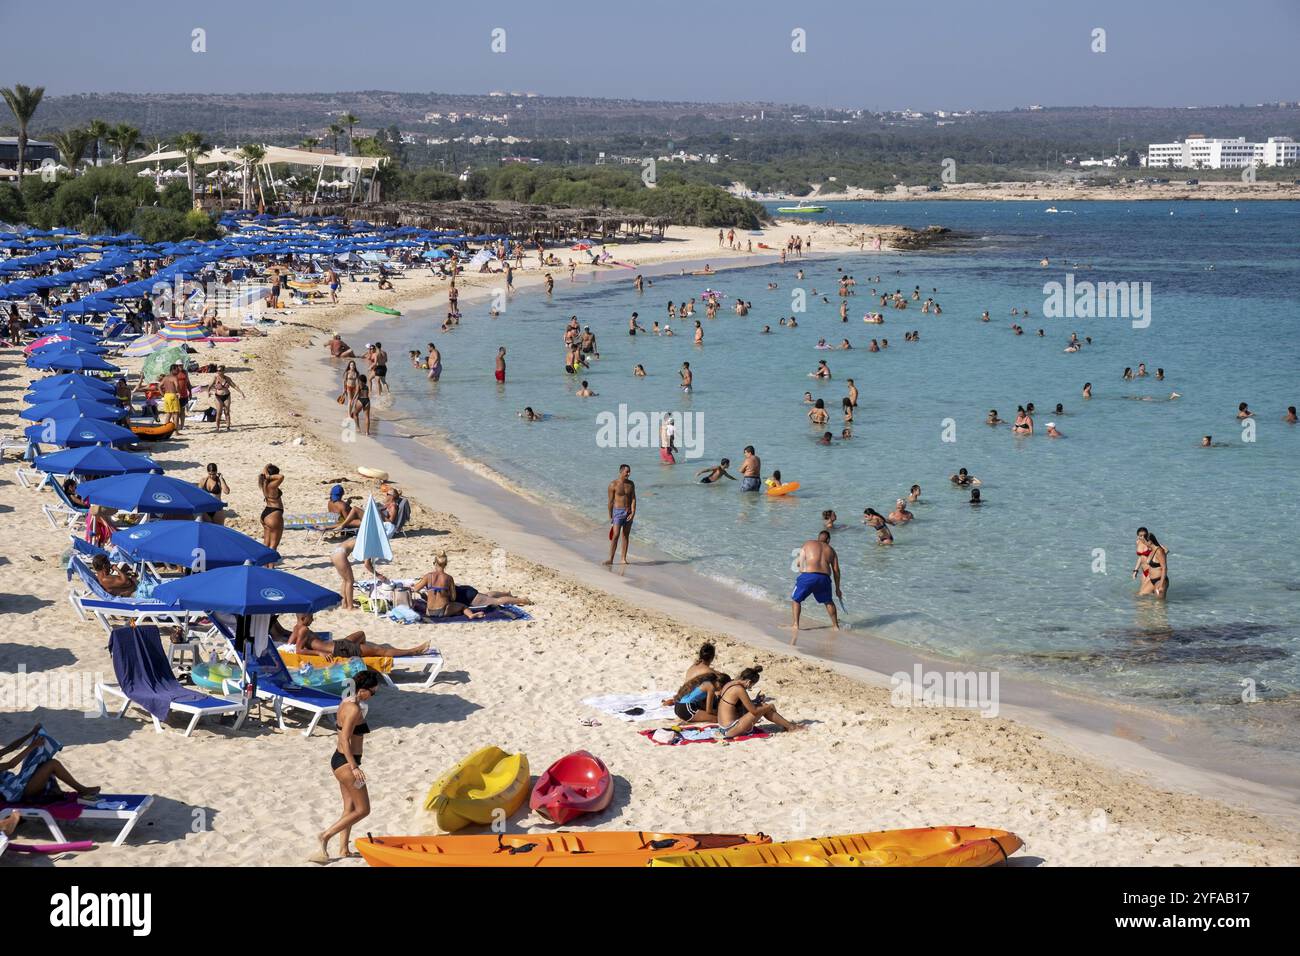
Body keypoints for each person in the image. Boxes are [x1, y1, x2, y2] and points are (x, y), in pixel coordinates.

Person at [311, 669, 381, 864]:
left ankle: (343, 849)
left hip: (341, 761)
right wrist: (354, 767)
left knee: (349, 808)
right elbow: (343, 738)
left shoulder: (348, 703)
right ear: (363, 689)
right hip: (346, 763)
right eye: (372, 692)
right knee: (363, 809)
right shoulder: (354, 709)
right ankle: (325, 836)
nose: (373, 696)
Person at [0, 725, 100, 804]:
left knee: (45, 762)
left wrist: (31, 733)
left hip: (19, 785)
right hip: (19, 792)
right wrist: (32, 746)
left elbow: (10, 748)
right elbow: (11, 764)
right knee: (52, 764)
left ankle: (82, 789)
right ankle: (82, 790)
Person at [289, 613, 429, 658]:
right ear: (303, 618)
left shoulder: (297, 628)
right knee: (380, 650)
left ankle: (363, 654)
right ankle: (414, 650)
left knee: (360, 634)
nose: (313, 619)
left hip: (339, 644)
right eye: (311, 617)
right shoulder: (303, 630)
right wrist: (319, 653)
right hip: (339, 650)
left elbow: (288, 645)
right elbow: (299, 650)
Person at [716, 667, 802, 737]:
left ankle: (787, 725)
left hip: (723, 728)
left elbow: (739, 706)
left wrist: (757, 701)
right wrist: (770, 706)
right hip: (730, 729)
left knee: (761, 706)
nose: (749, 688)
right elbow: (754, 711)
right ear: (749, 682)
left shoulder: (730, 684)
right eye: (751, 686)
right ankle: (791, 727)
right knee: (765, 707)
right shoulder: (739, 689)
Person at [791, 530, 841, 640]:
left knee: (796, 600)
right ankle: (835, 626)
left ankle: (796, 625)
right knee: (828, 602)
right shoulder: (831, 550)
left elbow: (799, 563)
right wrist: (838, 588)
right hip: (824, 578)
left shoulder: (808, 544)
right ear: (828, 540)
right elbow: (836, 571)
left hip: (808, 576)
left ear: (818, 537)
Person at [604, 464, 636, 565]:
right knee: (616, 535)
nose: (629, 473)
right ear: (621, 472)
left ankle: (623, 558)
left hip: (628, 512)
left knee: (626, 535)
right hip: (617, 512)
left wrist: (633, 512)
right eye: (627, 472)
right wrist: (610, 517)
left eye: (629, 471)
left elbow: (634, 498)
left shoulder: (631, 484)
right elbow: (610, 502)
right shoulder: (613, 485)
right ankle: (611, 559)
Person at [259, 465, 285, 555]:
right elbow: (281, 477)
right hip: (274, 514)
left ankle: (264, 566)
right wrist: (269, 476)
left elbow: (263, 473)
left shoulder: (264, 483)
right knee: (273, 545)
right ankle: (270, 567)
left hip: (266, 514)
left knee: (266, 544)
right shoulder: (272, 485)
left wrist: (267, 467)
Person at [209, 366, 242, 432]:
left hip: (227, 396)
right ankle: (217, 428)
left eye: (220, 370)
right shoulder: (215, 378)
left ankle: (228, 427)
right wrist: (209, 392)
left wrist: (241, 392)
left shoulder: (227, 378)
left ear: (224, 371)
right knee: (219, 412)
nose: (219, 372)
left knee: (227, 412)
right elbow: (209, 386)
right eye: (217, 370)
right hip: (218, 396)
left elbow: (234, 385)